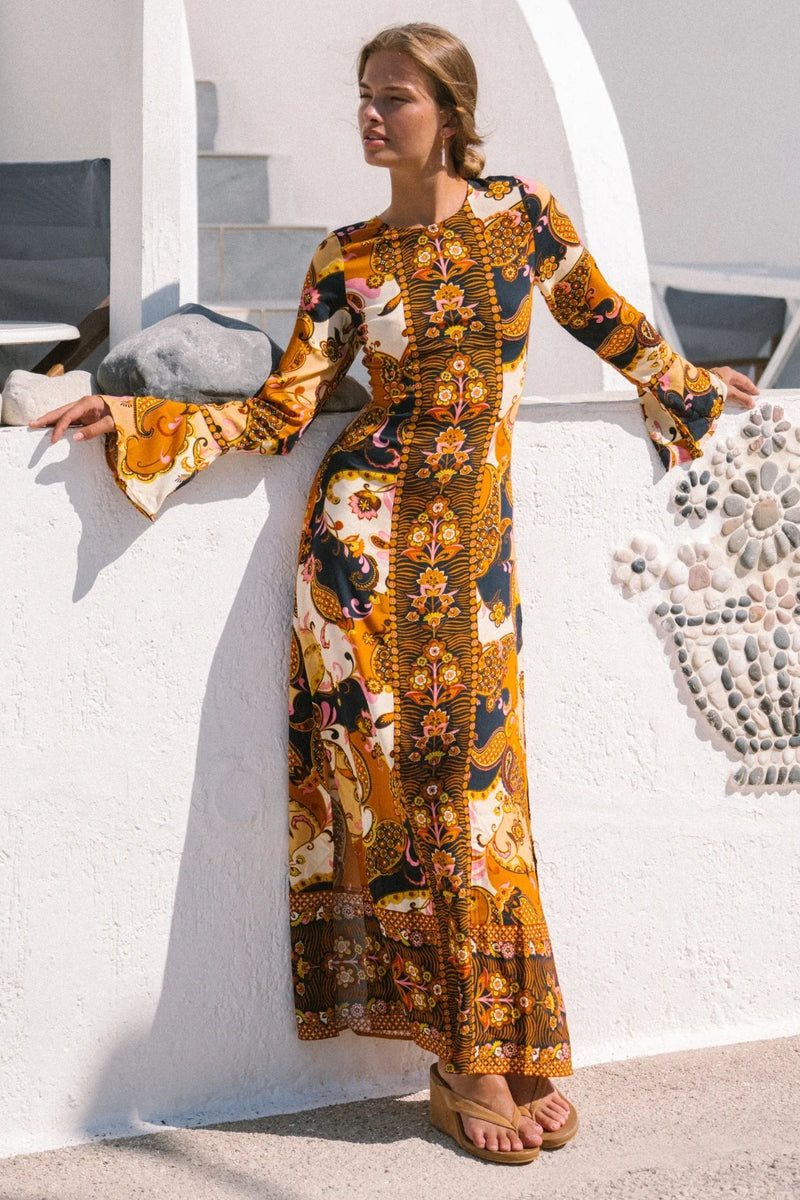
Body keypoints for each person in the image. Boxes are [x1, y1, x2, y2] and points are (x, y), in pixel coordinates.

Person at [31, 22, 759, 1166]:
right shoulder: (348, 256)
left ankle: (501, 1033)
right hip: (359, 560)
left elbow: (611, 325)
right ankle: (463, 1061)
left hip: (473, 569)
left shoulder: (521, 218)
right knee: (409, 810)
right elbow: (284, 407)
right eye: (364, 96)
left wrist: (700, 393)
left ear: (451, 113)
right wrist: (133, 412)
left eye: (394, 98)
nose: (369, 116)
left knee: (483, 804)